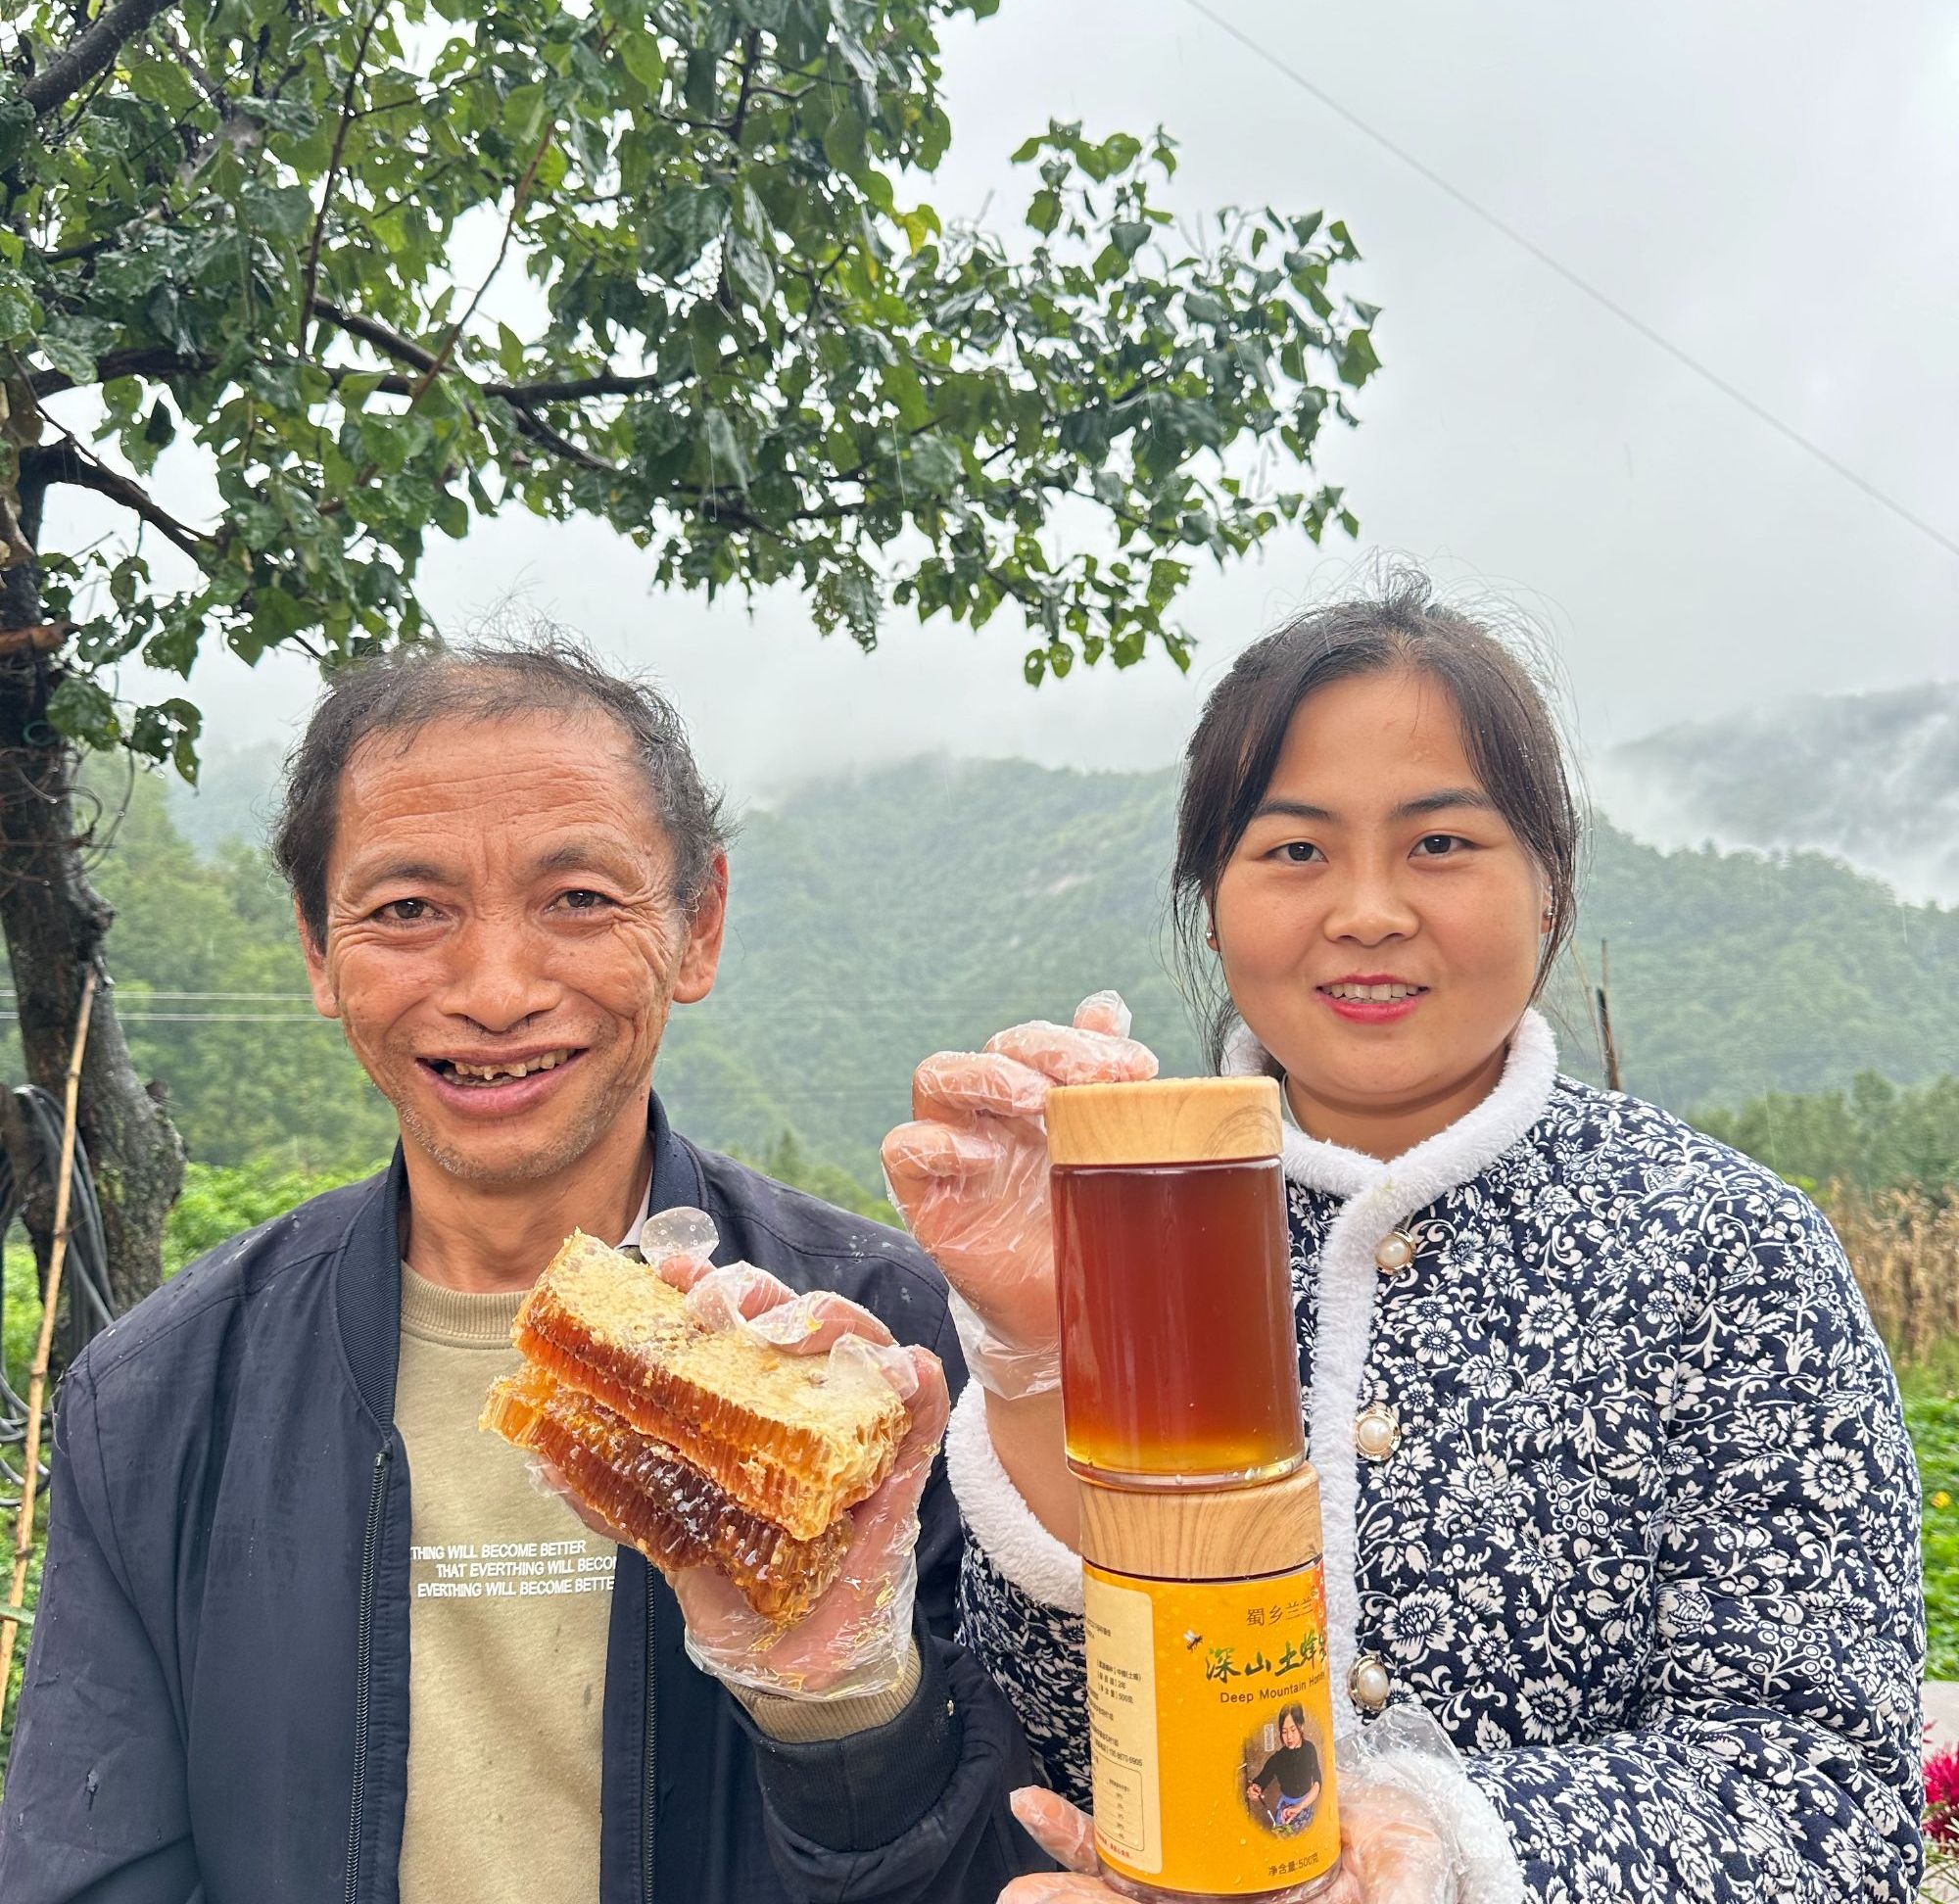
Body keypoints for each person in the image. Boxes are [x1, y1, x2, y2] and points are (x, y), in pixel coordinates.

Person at [884, 567, 1926, 1902]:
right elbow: (1056, 1719)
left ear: (1549, 886)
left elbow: (1827, 1792)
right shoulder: (1142, 1225)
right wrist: (1040, 1358)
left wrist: (1438, 1853)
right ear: (1214, 901)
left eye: (1440, 844)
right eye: (1296, 850)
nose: (1367, 909)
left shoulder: (1730, 1252)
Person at [0, 641, 1042, 1904]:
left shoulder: (901, 1358)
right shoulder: (159, 1400)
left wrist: (846, 1706)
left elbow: (1031, 1858)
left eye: (579, 898)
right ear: (319, 952)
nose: (495, 991)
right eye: (406, 910)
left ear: (697, 924)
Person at [1247, 1704, 1322, 1832]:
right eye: (1284, 1732)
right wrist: (1254, 1789)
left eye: (1293, 1730)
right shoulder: (1277, 1759)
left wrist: (1300, 1806)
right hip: (1285, 1813)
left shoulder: (1309, 1749)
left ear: (1301, 1726)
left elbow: (1317, 1783)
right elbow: (1260, 1782)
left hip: (1306, 1806)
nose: (1289, 1737)